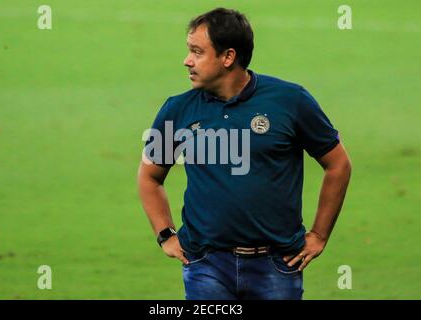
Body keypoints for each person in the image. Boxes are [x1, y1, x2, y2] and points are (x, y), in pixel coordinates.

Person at [137, 7, 352, 300]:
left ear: (228, 57)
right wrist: (165, 235)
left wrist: (319, 235)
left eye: (197, 52)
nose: (187, 61)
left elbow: (338, 164)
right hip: (205, 264)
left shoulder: (290, 101)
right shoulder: (178, 110)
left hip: (277, 264)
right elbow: (150, 176)